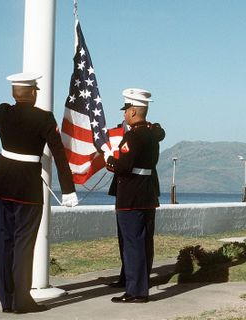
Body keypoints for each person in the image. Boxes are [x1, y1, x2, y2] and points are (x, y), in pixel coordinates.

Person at [0, 70, 78, 313]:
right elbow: (58, 154)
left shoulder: (4, 113)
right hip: (27, 187)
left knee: (5, 244)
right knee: (24, 245)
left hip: (3, 183)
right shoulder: (44, 118)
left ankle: (7, 302)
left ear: (13, 93)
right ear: (32, 93)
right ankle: (22, 301)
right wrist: (68, 190)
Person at [105, 88, 165, 303]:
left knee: (132, 244)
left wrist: (110, 160)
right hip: (148, 193)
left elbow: (124, 166)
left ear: (132, 112)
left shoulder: (133, 135)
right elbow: (160, 132)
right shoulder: (153, 133)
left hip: (131, 196)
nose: (124, 114)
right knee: (144, 243)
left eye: (125, 110)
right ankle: (140, 284)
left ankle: (136, 291)